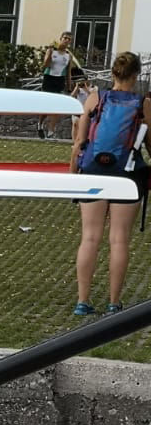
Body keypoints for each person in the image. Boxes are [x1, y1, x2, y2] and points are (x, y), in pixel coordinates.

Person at [70, 50, 151, 316]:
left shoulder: (95, 98)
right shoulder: (143, 104)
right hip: (127, 174)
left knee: (90, 237)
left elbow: (79, 144)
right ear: (136, 75)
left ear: (114, 73)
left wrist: (73, 177)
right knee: (119, 240)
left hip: (93, 171)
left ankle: (83, 301)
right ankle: (114, 303)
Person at [39, 32, 82, 138]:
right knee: (46, 106)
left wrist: (69, 85)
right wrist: (49, 54)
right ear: (60, 39)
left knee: (57, 106)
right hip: (49, 78)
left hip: (60, 80)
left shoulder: (68, 55)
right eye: (65, 38)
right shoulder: (52, 50)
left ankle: (51, 131)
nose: (66, 40)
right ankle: (40, 124)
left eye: (69, 39)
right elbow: (45, 65)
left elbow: (68, 72)